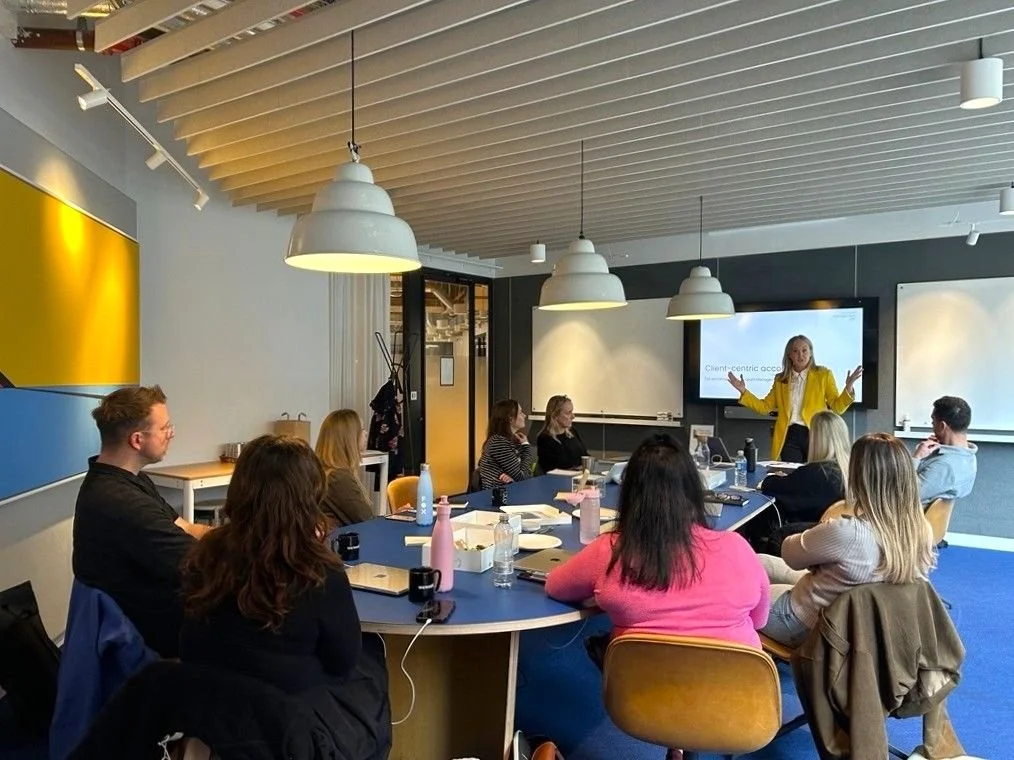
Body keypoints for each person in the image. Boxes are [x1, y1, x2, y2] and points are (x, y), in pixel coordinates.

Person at [179, 435, 391, 760]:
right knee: (372, 655)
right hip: (293, 729)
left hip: (218, 715)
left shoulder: (204, 558)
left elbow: (190, 642)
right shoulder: (319, 572)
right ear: (309, 498)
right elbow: (343, 662)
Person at [545, 434, 770, 655]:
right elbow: (760, 620)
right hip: (739, 688)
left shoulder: (612, 549)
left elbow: (555, 585)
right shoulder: (738, 547)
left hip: (642, 687)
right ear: (693, 491)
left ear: (630, 493)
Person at [758, 433, 936, 648]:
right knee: (759, 562)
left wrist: (823, 531)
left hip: (806, 621)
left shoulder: (848, 532)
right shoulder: (920, 528)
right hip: (857, 619)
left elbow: (790, 555)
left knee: (740, 593)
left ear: (859, 477)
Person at [72, 385, 208, 658]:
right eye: (165, 428)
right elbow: (203, 565)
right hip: (155, 643)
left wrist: (238, 534)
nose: (172, 434)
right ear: (137, 440)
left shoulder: (130, 480)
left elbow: (185, 527)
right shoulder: (118, 502)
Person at [727, 335, 862, 462]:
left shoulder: (823, 375)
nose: (800, 355)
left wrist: (849, 386)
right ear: (789, 355)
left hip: (815, 433)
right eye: (795, 351)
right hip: (789, 435)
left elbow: (837, 407)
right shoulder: (781, 379)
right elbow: (765, 407)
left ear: (811, 353)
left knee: (814, 474)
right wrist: (743, 391)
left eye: (804, 350)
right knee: (792, 474)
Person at [760, 410, 850, 524]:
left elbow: (770, 486)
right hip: (838, 535)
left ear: (816, 439)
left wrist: (777, 478)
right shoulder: (852, 470)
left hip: (806, 535)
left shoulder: (814, 473)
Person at [913, 396, 977, 504]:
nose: (932, 426)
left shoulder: (944, 466)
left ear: (942, 426)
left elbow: (902, 495)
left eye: (933, 422)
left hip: (907, 518)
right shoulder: (969, 457)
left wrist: (916, 458)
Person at [315, 409, 374, 528]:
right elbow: (367, 520)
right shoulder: (338, 478)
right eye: (361, 430)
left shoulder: (327, 473)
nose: (366, 433)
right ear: (349, 438)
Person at [477, 399, 537, 489]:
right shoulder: (498, 443)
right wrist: (526, 446)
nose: (524, 416)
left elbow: (527, 472)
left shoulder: (511, 441)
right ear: (510, 418)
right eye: (520, 413)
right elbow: (521, 477)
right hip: (501, 496)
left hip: (513, 491)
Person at [536, 395, 589, 473]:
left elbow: (585, 456)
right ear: (555, 415)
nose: (573, 416)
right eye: (568, 413)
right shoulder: (545, 439)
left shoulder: (572, 432)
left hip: (579, 477)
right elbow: (552, 469)